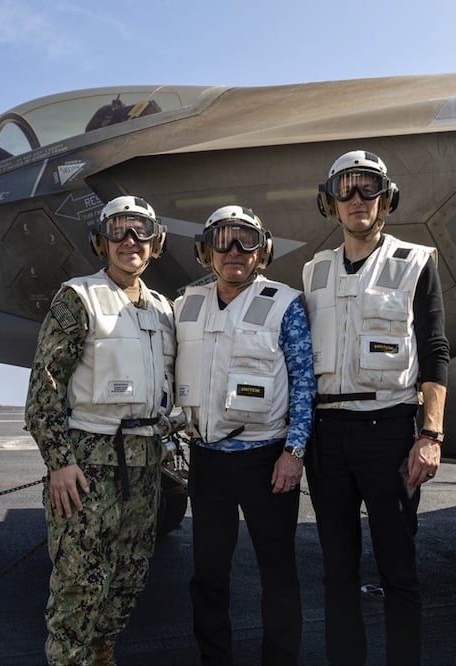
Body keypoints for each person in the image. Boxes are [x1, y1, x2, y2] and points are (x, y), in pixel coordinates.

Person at [302, 150, 450, 666]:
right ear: (331, 201)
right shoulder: (313, 271)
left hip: (388, 430)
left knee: (398, 570)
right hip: (328, 435)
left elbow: (435, 350)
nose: (358, 199)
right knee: (338, 572)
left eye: (369, 188)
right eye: (347, 188)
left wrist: (429, 435)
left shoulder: (415, 263)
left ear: (386, 199)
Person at [24, 195, 176, 666]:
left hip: (146, 464)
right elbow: (44, 389)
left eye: (140, 231)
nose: (129, 241)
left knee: (129, 576)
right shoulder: (79, 297)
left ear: (155, 243)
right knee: (80, 583)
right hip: (89, 463)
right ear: (101, 241)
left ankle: (102, 653)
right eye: (118, 231)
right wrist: (60, 463)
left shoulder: (163, 309)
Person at [175, 205, 315, 665]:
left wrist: (294, 452)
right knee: (208, 575)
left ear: (263, 251)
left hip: (266, 460)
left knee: (277, 574)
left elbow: (304, 383)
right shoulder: (185, 306)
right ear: (206, 250)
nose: (235, 251)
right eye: (223, 240)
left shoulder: (284, 303)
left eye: (246, 240)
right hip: (208, 461)